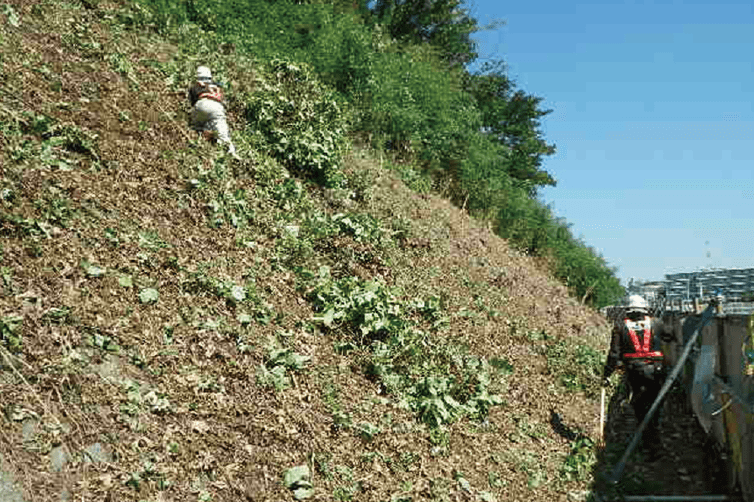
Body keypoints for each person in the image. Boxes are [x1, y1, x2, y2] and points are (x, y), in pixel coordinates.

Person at [603, 294, 672, 459]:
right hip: (656, 370)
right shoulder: (656, 323)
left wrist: (606, 373)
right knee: (654, 405)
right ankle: (652, 441)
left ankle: (649, 441)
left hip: (635, 372)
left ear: (628, 310)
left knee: (640, 407)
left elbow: (614, 354)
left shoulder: (619, 326)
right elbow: (671, 336)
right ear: (644, 309)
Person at [188, 66, 240, 160]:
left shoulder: (195, 86)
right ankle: (231, 151)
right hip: (217, 107)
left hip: (201, 104)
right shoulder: (217, 86)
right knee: (223, 133)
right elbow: (222, 100)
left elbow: (193, 103)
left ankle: (199, 135)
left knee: (196, 125)